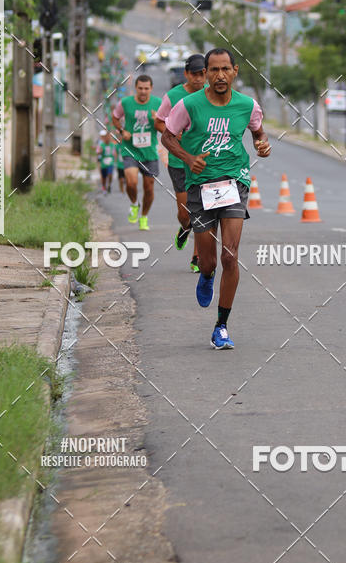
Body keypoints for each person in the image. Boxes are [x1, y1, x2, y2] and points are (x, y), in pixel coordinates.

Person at [162, 48, 270, 350]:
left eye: (226, 69)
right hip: (200, 186)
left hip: (235, 181)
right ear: (206, 74)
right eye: (213, 70)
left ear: (235, 71)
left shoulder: (247, 105)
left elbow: (258, 133)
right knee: (209, 261)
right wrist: (188, 157)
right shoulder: (189, 105)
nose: (220, 76)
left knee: (230, 255)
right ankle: (206, 275)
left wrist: (262, 146)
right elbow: (167, 136)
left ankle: (221, 326)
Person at [154, 54, 207, 272]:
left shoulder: (211, 95)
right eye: (194, 74)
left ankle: (198, 257)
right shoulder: (173, 96)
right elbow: (159, 123)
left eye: (202, 74)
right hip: (178, 161)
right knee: (186, 214)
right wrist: (176, 138)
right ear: (186, 74)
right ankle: (184, 228)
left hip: (204, 163)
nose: (198, 78)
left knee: (203, 211)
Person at [112, 75, 162, 230]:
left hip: (149, 152)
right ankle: (134, 204)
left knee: (149, 188)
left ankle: (144, 216)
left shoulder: (158, 104)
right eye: (140, 88)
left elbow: (167, 124)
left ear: (151, 88)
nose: (143, 91)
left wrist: (157, 121)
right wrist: (121, 130)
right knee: (131, 182)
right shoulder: (126, 103)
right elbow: (115, 117)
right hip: (130, 149)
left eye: (146, 88)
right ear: (136, 88)